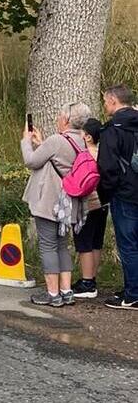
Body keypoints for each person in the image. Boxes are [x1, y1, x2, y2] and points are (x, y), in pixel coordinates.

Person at [21, 102, 92, 307]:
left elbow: (32, 161)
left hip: (50, 201)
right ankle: (66, 291)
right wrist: (42, 142)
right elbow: (59, 159)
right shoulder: (82, 141)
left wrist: (26, 141)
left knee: (48, 245)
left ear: (67, 119)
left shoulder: (57, 140)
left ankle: (52, 294)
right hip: (71, 202)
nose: (58, 119)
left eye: (60, 116)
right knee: (62, 245)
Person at [97, 84, 138, 310]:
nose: (104, 105)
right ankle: (133, 287)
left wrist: (105, 193)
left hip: (124, 192)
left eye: (105, 101)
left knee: (128, 245)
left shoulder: (113, 129)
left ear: (113, 101)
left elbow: (107, 167)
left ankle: (132, 294)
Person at [73, 118, 107, 298]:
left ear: (87, 137)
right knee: (96, 241)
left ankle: (87, 282)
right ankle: (92, 277)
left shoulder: (84, 155)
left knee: (84, 242)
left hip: (88, 203)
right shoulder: (103, 152)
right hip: (103, 203)